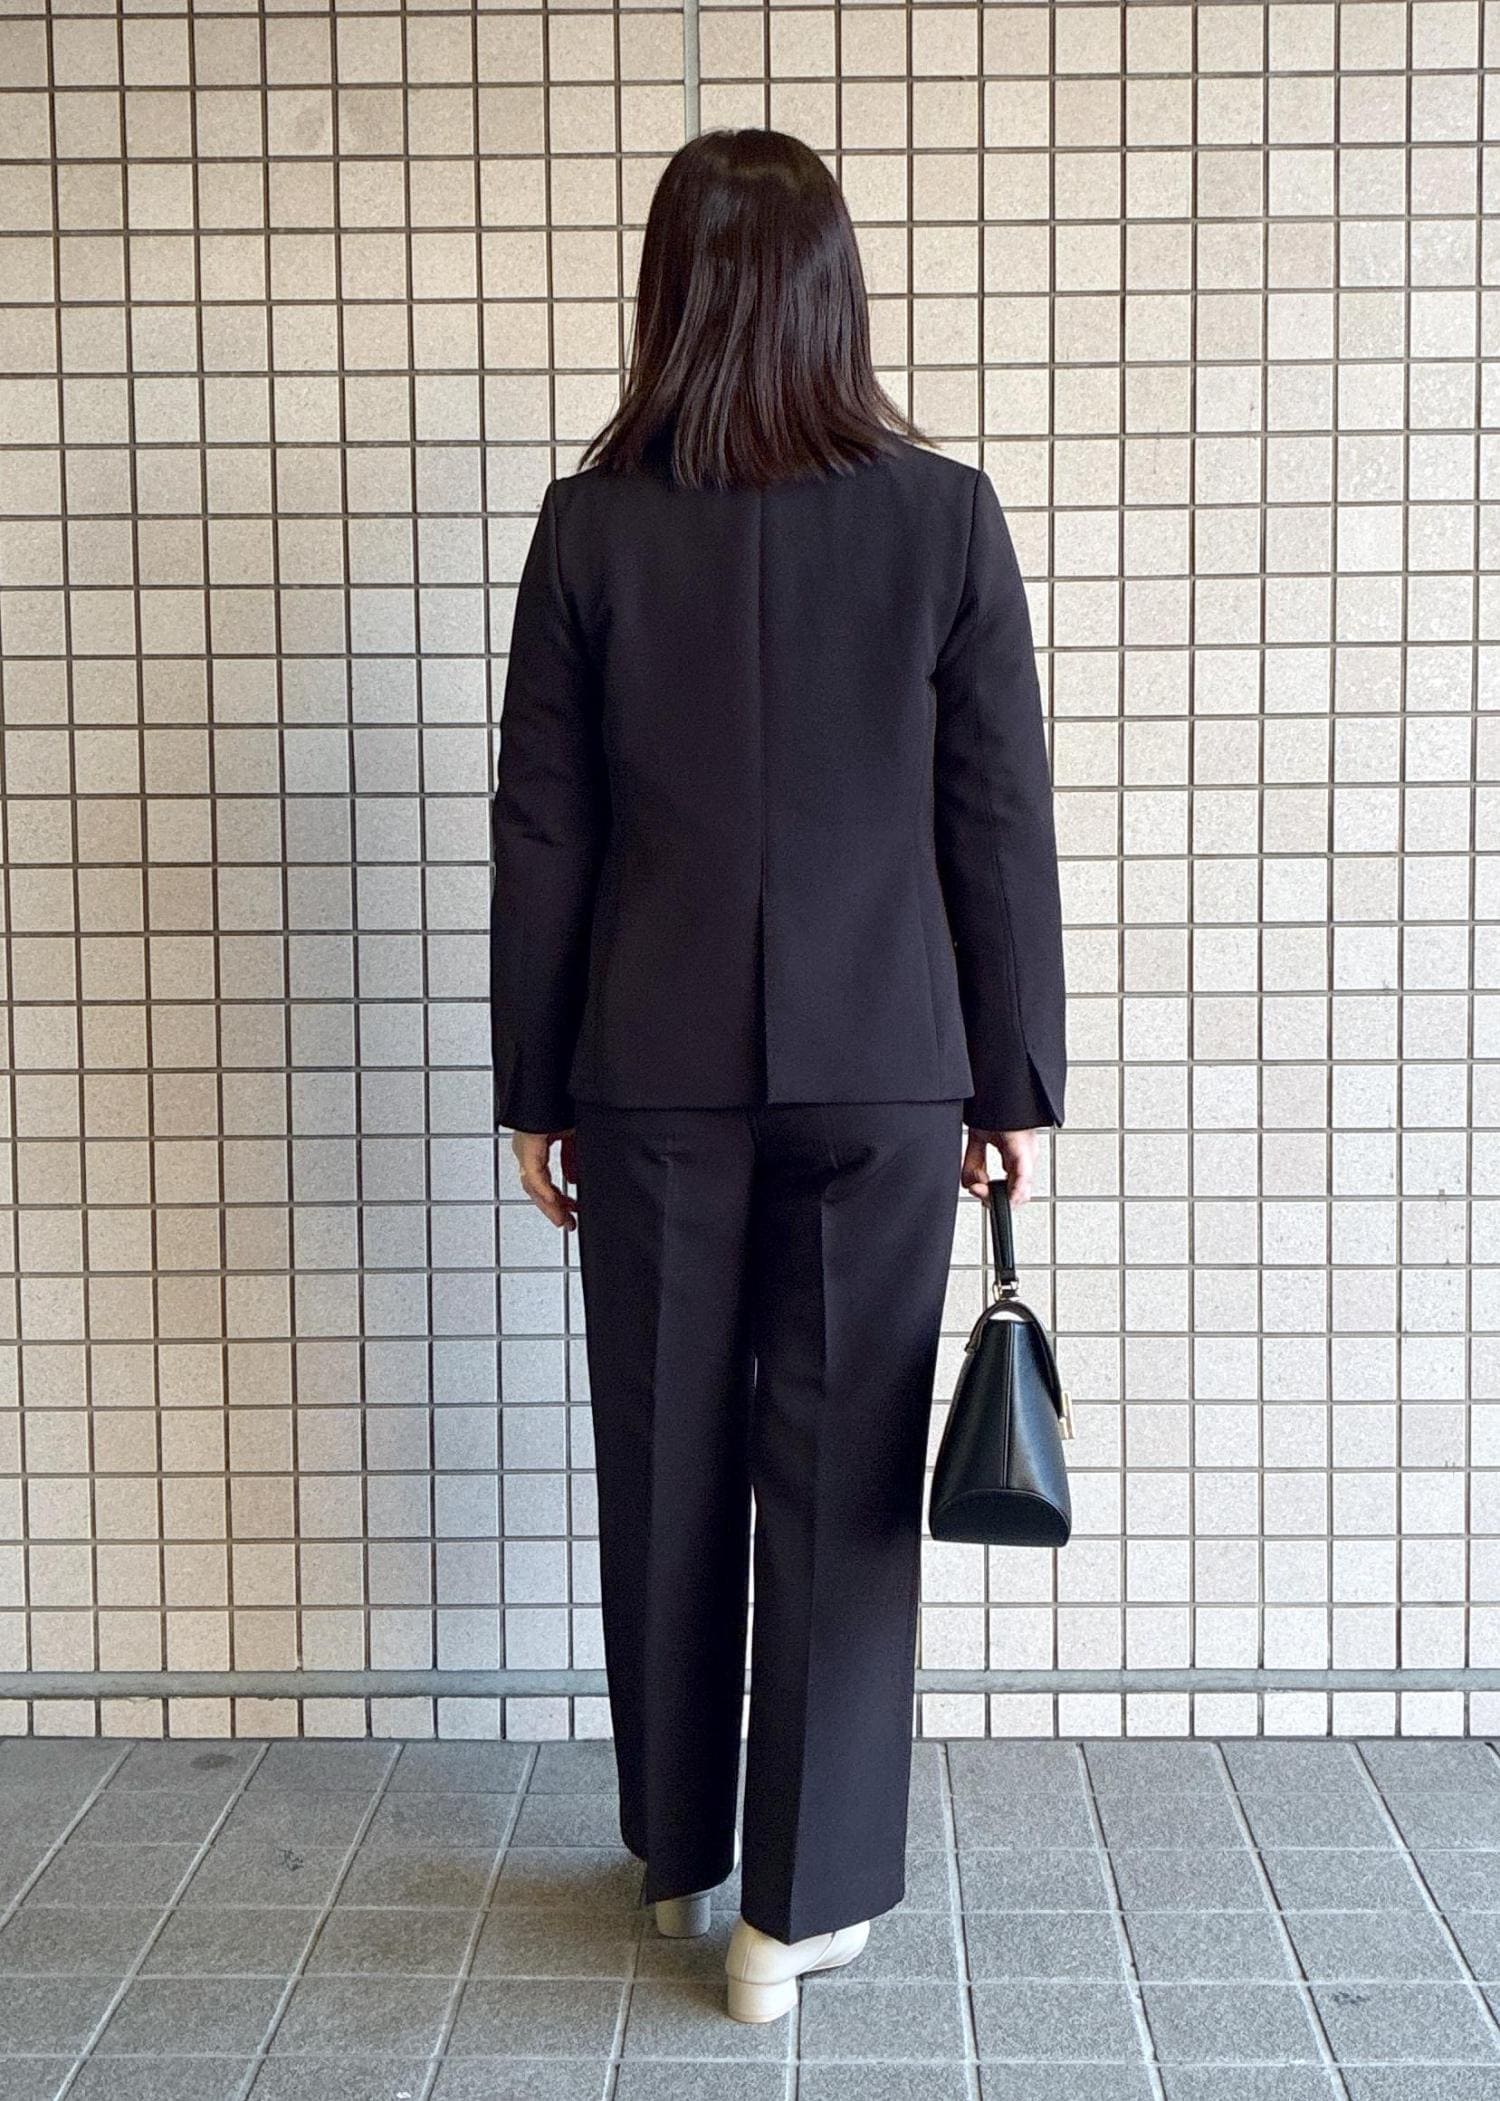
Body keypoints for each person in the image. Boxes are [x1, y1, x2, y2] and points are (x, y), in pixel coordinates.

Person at [489, 126, 1066, 2024]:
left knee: (664, 1454)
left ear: (668, 294)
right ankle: (790, 1917)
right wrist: (1013, 1082)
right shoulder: (943, 518)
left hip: (648, 1064)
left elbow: (545, 826)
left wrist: (535, 1081)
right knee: (842, 1478)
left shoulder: (591, 529)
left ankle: (679, 1856)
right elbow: (995, 818)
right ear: (838, 294)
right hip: (885, 1066)